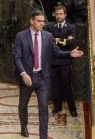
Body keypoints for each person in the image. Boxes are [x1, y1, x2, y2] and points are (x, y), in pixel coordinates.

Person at [13, 10, 83, 138]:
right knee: (23, 105)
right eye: (39, 21)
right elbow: (17, 57)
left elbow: (56, 52)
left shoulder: (47, 36)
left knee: (44, 109)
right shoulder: (21, 36)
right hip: (27, 77)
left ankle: (43, 136)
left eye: (43, 21)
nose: (42, 24)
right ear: (31, 21)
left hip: (42, 78)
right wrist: (23, 74)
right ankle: (24, 126)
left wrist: (69, 54)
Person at [47, 5, 77, 117]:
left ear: (65, 15)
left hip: (65, 61)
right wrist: (64, 40)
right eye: (57, 14)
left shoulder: (71, 27)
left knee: (67, 86)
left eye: (61, 14)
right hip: (53, 61)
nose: (58, 16)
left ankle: (72, 108)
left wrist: (57, 40)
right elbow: (49, 41)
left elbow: (71, 43)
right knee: (55, 86)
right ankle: (57, 107)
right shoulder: (50, 26)